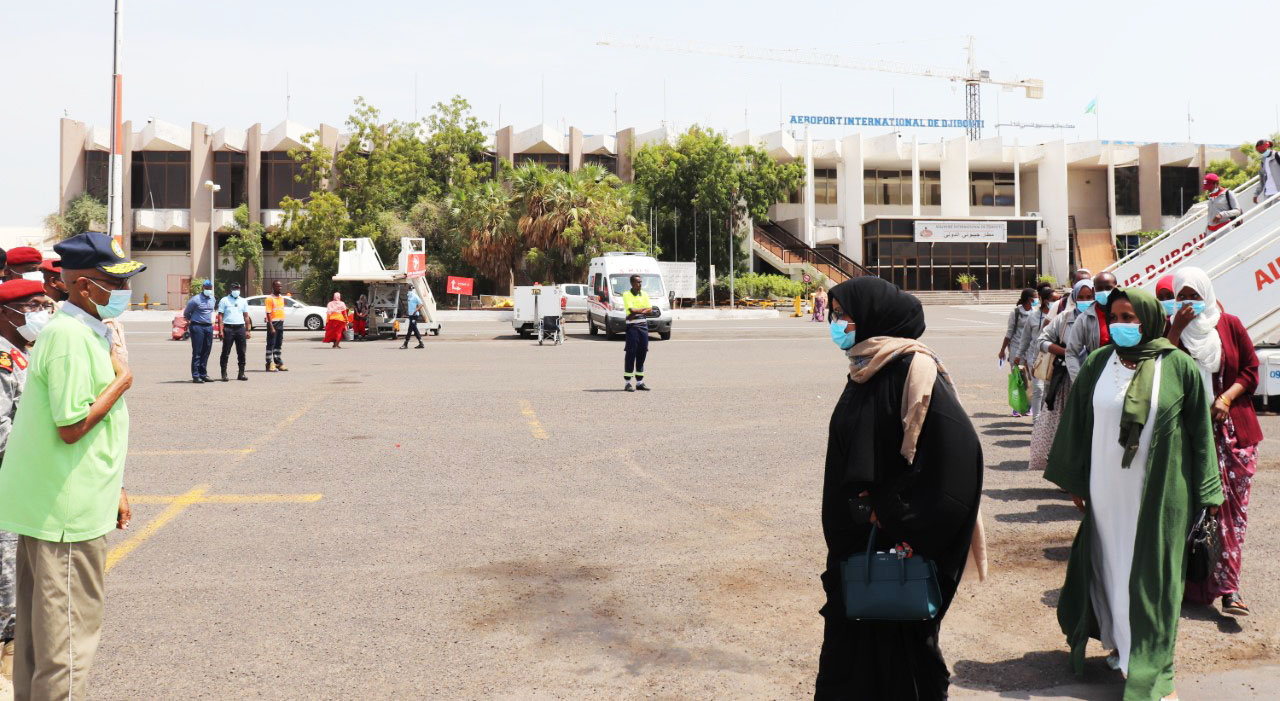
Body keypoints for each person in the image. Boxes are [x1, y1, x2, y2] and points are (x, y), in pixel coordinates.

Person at [1045, 287, 1222, 701]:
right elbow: (1078, 422)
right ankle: (1122, 648)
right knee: (1112, 568)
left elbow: (1200, 434)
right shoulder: (1097, 363)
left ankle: (1153, 667)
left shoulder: (1178, 366)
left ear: (1150, 318)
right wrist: (1075, 480)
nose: (1124, 325)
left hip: (1159, 494)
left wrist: (1209, 491)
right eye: (1118, 318)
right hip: (1106, 491)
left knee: (1155, 579)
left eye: (1131, 317)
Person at [815, 277, 985, 700]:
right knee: (849, 651)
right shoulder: (865, 367)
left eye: (845, 316)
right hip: (856, 545)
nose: (837, 324)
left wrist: (891, 512)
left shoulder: (914, 368)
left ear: (874, 317)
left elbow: (958, 458)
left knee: (901, 654)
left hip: (895, 545)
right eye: (836, 315)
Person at [0, 232, 143, 700]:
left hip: (59, 505)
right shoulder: (69, 336)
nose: (123, 293)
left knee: (41, 644)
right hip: (65, 518)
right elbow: (72, 425)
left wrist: (115, 487)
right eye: (113, 283)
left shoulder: (81, 331)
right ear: (84, 287)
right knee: (67, 649)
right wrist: (122, 380)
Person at [1167, 268, 1263, 616]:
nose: (1188, 301)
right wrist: (1175, 331)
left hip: (1234, 434)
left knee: (1232, 514)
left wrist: (1225, 399)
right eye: (1182, 295)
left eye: (1194, 293)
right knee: (1194, 509)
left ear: (1207, 293)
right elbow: (1160, 370)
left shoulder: (1230, 324)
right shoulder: (1171, 331)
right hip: (1190, 435)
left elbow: (1250, 370)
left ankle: (1229, 589)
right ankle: (1190, 583)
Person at [0, 280, 51, 682]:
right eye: (32, 306)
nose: (41, 313)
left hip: (19, 486)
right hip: (7, 485)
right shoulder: (2, 358)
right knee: (7, 585)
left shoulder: (21, 355)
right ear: (7, 313)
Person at [1029, 278, 1094, 472]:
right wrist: (1063, 351)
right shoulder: (1064, 318)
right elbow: (1041, 339)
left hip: (1094, 379)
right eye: (1081, 297)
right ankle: (1064, 470)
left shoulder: (1101, 318)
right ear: (1074, 297)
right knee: (1064, 427)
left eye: (1089, 297)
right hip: (1066, 381)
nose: (1085, 300)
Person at [1012, 286, 1058, 416]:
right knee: (1038, 389)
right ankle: (1037, 421)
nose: (1055, 302)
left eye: (1057, 299)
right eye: (1052, 299)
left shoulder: (1059, 316)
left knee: (1048, 391)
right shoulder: (1032, 317)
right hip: (1035, 357)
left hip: (1052, 358)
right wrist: (1018, 355)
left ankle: (1045, 419)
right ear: (1044, 300)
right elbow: (1025, 339)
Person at [1064, 272, 1117, 381]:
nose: (1104, 292)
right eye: (1100, 289)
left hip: (1123, 376)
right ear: (1094, 291)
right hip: (1097, 376)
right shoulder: (1084, 319)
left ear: (1117, 288)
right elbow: (1071, 353)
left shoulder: (1128, 313)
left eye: (1108, 288)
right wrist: (1079, 382)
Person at [623, 274, 657, 392]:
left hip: (643, 326)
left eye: (641, 282)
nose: (640, 284)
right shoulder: (627, 295)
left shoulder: (645, 294)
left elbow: (650, 310)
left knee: (642, 353)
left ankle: (639, 382)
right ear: (632, 283)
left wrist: (638, 312)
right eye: (638, 282)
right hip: (632, 327)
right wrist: (642, 310)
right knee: (631, 353)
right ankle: (627, 382)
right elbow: (632, 310)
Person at [216, 282, 251, 382]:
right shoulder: (224, 300)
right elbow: (220, 316)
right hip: (228, 328)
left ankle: (241, 373)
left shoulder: (243, 301)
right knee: (225, 352)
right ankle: (224, 373)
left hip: (240, 328)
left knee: (242, 352)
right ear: (230, 289)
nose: (236, 291)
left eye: (238, 289)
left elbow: (246, 316)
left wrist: (248, 330)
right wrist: (220, 330)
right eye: (234, 289)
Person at [183, 280, 216, 383]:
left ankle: (203, 374)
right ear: (203, 288)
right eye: (207, 288)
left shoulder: (213, 299)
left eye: (210, 288)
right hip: (197, 326)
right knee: (197, 351)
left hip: (208, 327)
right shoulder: (195, 300)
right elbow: (187, 313)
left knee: (206, 351)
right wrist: (193, 321)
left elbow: (211, 311)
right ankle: (196, 375)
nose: (208, 290)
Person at [1254, 139, 1280, 205]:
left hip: (1277, 192)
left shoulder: (1277, 156)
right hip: (1267, 193)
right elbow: (1262, 180)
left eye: (1263, 150)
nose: (1262, 152)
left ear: (1268, 147)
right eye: (1260, 151)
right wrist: (1256, 194)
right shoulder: (1263, 162)